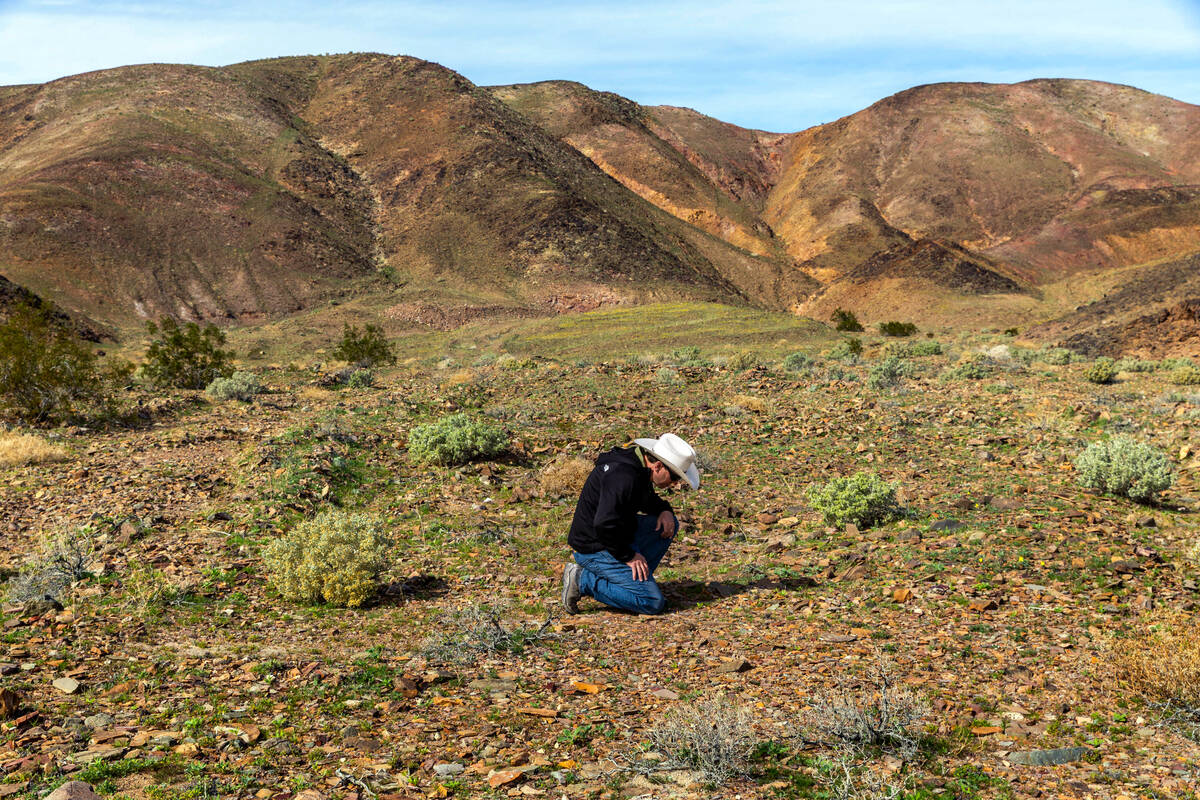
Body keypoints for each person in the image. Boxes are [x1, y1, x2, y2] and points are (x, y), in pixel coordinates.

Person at [560, 433, 700, 616]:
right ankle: (582, 579)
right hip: (594, 546)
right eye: (674, 477)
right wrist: (629, 556)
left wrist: (664, 509)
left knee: (669, 523)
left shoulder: (638, 466)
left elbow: (645, 500)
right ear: (658, 466)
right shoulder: (623, 476)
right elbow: (603, 524)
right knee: (652, 602)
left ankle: (631, 582)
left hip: (615, 535)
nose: (675, 484)